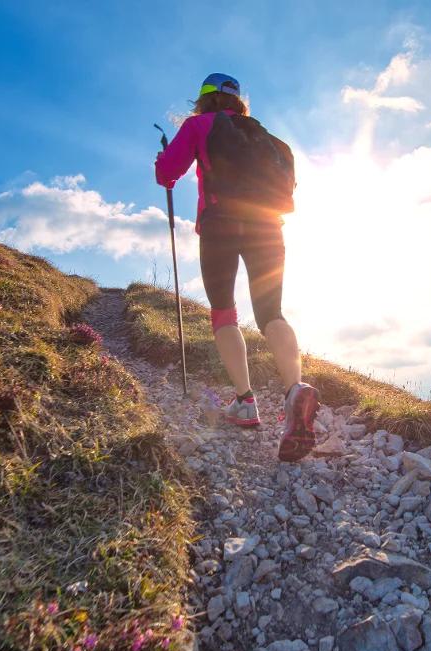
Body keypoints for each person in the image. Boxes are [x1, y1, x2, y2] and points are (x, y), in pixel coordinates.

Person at [155, 72, 320, 462]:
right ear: (238, 102)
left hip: (220, 225)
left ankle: (245, 402)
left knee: (224, 313)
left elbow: (168, 173)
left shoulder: (199, 126)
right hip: (267, 225)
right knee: (271, 314)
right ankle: (295, 390)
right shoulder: (266, 137)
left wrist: (162, 160)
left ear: (203, 100)